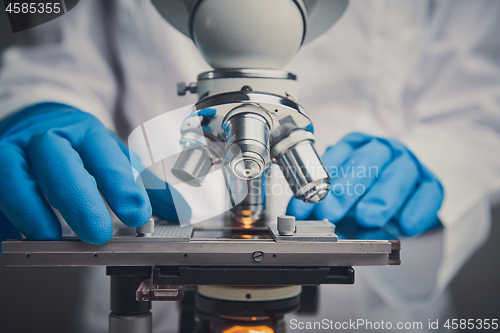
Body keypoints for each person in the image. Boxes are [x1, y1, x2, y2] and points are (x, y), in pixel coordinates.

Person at [0, 0, 499, 332]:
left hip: (375, 315)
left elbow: (480, 103)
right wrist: (40, 109)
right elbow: (55, 54)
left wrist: (436, 168)